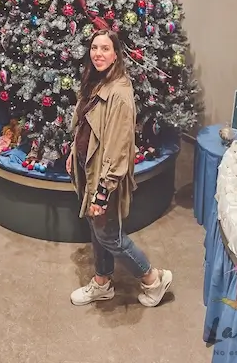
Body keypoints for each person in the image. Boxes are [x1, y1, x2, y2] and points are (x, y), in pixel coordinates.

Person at [67, 29, 172, 307]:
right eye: (94, 48)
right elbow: (84, 123)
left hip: (105, 178)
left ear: (116, 55)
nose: (98, 54)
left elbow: (117, 147)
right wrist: (72, 151)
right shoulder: (95, 81)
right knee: (97, 229)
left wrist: (102, 193)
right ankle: (102, 282)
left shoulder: (120, 94)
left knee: (110, 236)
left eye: (105, 49)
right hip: (89, 170)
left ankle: (152, 278)